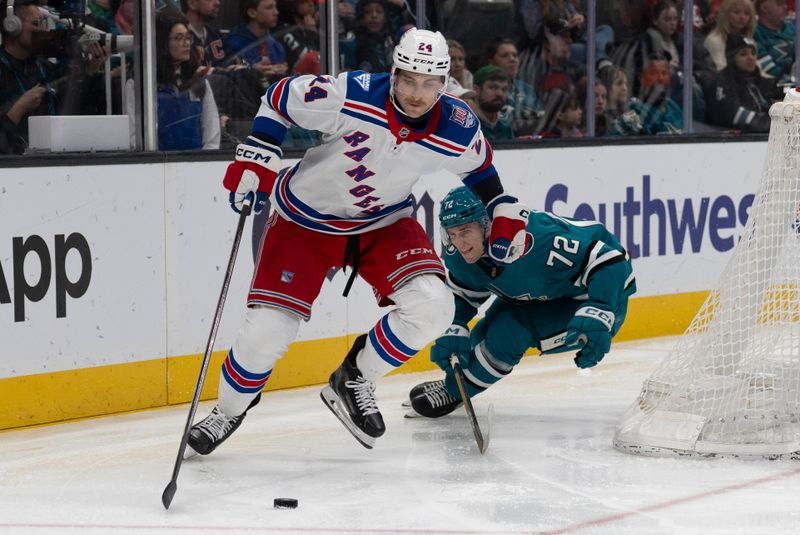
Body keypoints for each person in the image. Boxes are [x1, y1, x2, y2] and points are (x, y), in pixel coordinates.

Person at [186, 28, 531, 454]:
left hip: (383, 224)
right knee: (265, 335)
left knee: (434, 305)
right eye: (408, 80)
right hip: (304, 221)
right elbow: (279, 98)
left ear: (445, 83)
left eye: (429, 83)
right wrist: (259, 151)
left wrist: (502, 207)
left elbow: (482, 174)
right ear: (394, 72)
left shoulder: (457, 125)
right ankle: (229, 409)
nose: (417, 93)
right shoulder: (353, 94)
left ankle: (355, 377)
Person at [406, 186, 635, 418]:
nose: (460, 243)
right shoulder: (459, 253)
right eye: (452, 234)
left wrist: (601, 309)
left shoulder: (537, 240)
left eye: (465, 231)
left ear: (487, 224)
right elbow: (465, 294)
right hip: (541, 294)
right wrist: (454, 324)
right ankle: (459, 381)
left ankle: (457, 390)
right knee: (490, 327)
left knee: (511, 332)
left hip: (590, 299)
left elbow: (611, 260)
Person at [0, 0, 109, 154]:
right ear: (12, 26)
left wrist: (90, 73)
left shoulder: (46, 69)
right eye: (36, 23)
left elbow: (78, 117)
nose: (43, 30)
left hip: (53, 161)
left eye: (44, 23)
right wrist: (17, 110)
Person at [151, 8, 220, 150]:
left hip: (195, 165)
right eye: (178, 38)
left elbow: (212, 136)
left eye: (188, 37)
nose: (187, 43)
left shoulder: (199, 82)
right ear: (162, 42)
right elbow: (135, 137)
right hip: (155, 165)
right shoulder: (141, 84)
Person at [705, 35, 782, 133]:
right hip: (732, 141)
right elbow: (731, 112)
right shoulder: (721, 82)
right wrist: (767, 123)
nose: (750, 58)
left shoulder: (763, 82)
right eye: (743, 54)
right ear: (732, 58)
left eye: (753, 53)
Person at [225, 0, 288, 84]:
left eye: (275, 7)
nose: (276, 12)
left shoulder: (276, 46)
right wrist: (251, 71)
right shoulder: (233, 43)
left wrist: (282, 74)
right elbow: (225, 79)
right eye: (269, 8)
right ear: (252, 13)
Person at [630, 52, 683, 134]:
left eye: (664, 73)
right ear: (641, 77)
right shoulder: (634, 111)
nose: (660, 78)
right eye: (653, 73)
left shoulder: (673, 106)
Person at [703, 0, 757, 71]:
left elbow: (757, 68)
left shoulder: (750, 41)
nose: (742, 17)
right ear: (725, 14)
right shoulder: (715, 40)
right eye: (737, 13)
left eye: (746, 14)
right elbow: (721, 70)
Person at [753, 0, 796, 85]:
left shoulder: (792, 28)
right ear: (764, 8)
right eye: (779, 3)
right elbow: (767, 69)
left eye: (785, 3)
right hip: (770, 88)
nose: (785, 7)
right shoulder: (754, 32)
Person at [470, 65, 514, 142]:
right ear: (476, 89)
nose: (500, 94)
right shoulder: (464, 125)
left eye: (504, 89)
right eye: (493, 88)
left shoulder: (505, 126)